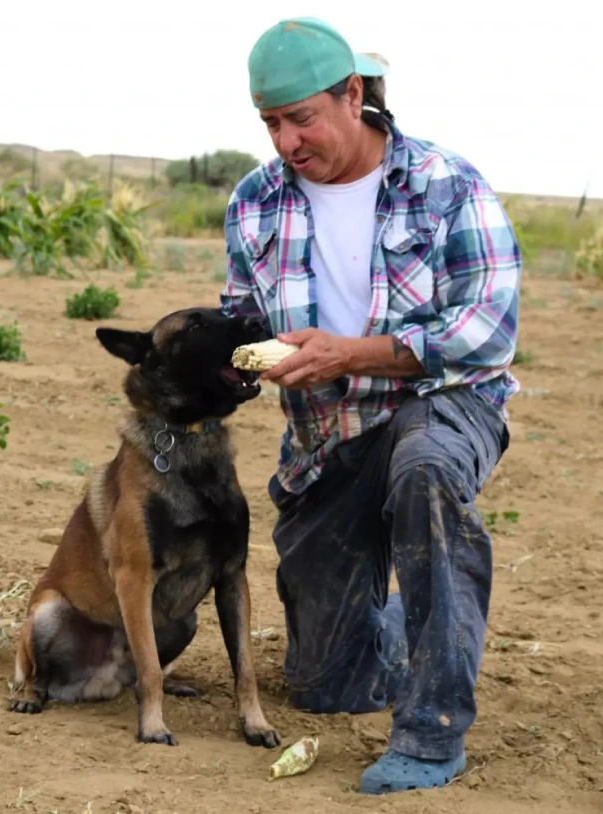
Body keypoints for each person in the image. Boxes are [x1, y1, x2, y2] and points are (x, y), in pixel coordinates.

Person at [220, 17, 520, 795]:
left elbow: (486, 328)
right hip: (331, 436)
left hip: (444, 404)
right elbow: (244, 316)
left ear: (353, 96)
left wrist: (352, 352)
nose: (286, 141)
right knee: (326, 686)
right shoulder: (255, 202)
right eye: (271, 123)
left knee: (425, 474)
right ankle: (411, 627)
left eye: (301, 118)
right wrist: (237, 359)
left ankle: (432, 731)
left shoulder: (447, 183)